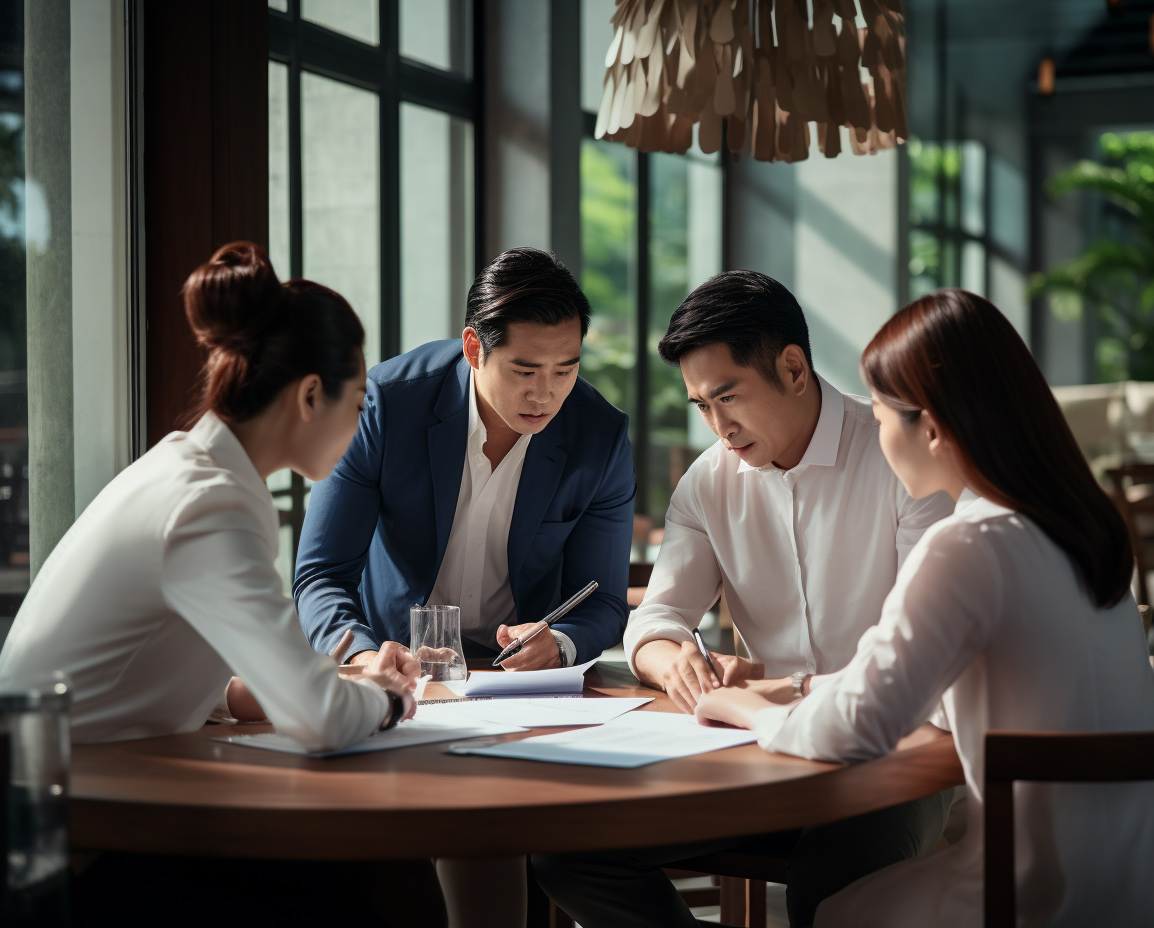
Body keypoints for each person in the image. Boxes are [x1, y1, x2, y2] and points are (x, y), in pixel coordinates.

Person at [694, 289, 1154, 927]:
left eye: (877, 415)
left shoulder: (968, 545)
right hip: (1146, 893)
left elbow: (854, 729)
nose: (873, 433)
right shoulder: (1078, 528)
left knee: (831, 909)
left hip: (1035, 898)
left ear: (929, 426)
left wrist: (740, 704)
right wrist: (800, 684)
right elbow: (912, 687)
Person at [0, 242, 442, 927]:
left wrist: (328, 685)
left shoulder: (187, 470)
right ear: (309, 394)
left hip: (87, 797)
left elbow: (176, 674)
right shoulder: (211, 502)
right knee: (380, 867)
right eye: (358, 406)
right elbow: (318, 723)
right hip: (72, 842)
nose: (359, 429)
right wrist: (381, 699)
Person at [533, 270, 955, 928]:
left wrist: (776, 693)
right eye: (701, 405)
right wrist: (672, 659)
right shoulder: (708, 484)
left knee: (826, 891)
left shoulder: (901, 457)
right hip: (766, 758)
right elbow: (657, 616)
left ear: (792, 367)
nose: (718, 426)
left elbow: (921, 661)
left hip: (892, 754)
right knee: (570, 858)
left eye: (727, 397)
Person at [294, 246, 635, 672]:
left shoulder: (599, 436)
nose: (545, 394)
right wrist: (364, 660)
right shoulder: (386, 405)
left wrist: (562, 643)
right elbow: (322, 576)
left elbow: (601, 599)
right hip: (396, 667)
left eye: (565, 371)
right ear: (474, 349)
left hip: (524, 684)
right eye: (525, 372)